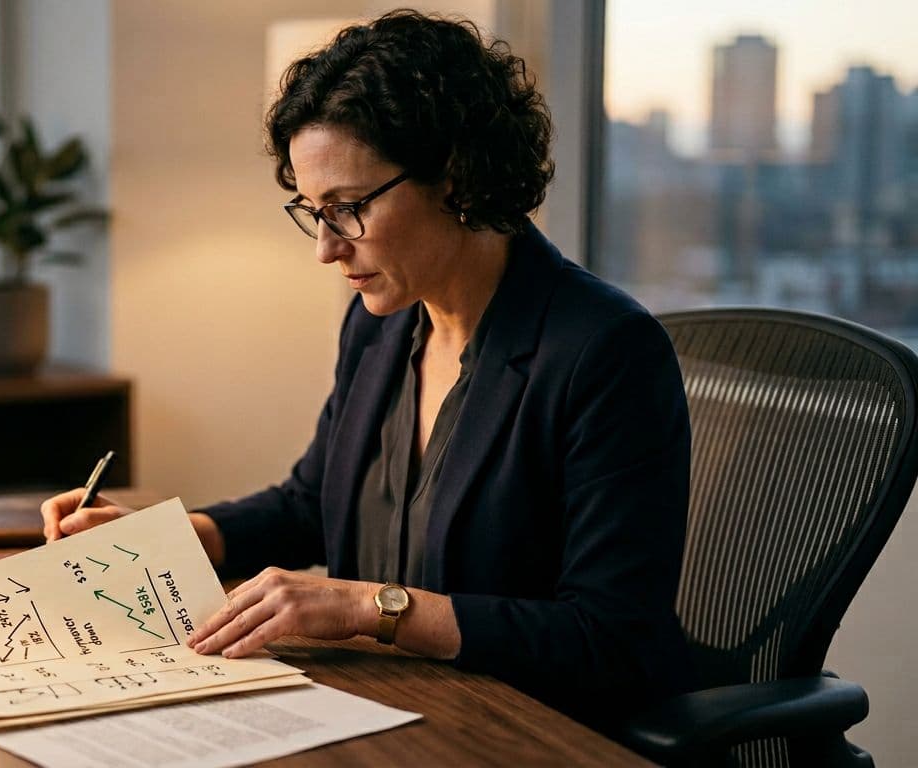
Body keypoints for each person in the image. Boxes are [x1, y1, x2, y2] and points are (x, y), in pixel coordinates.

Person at [41, 9, 693, 727]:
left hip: (519, 728)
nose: (325, 248)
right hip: (386, 706)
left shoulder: (603, 351)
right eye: (312, 211)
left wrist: (368, 606)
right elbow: (310, 504)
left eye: (347, 209)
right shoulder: (383, 325)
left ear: (457, 177)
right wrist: (164, 538)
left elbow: (612, 641)